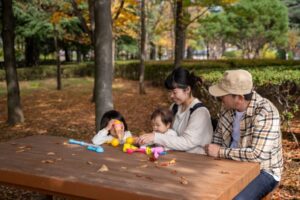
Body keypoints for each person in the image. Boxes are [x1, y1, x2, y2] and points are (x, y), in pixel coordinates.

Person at [205, 69, 283, 199]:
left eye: (223, 95)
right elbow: (218, 139)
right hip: (230, 162)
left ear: (239, 98)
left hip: (264, 170)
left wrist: (220, 152)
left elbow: (257, 155)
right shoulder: (227, 108)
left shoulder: (266, 112)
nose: (220, 98)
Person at [138, 67, 213, 154]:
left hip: (196, 160)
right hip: (175, 156)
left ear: (187, 90)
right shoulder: (175, 107)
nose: (171, 96)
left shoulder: (200, 113)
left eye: (174, 92)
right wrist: (148, 139)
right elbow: (166, 134)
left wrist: (155, 137)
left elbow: (187, 142)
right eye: (170, 92)